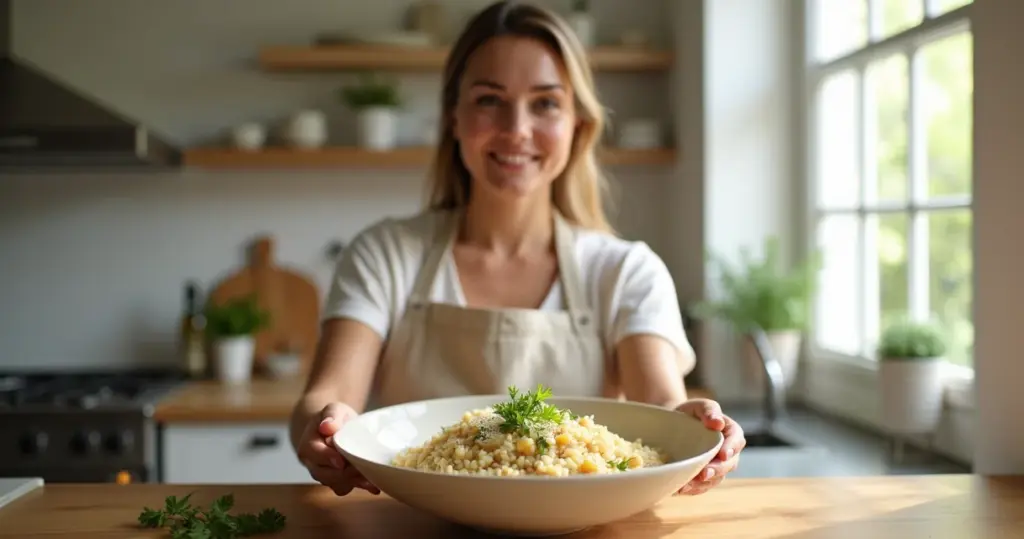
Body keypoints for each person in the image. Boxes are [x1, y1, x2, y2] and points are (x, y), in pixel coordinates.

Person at [290, 0, 745, 497]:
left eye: (546, 102)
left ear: (579, 124)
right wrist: (324, 426)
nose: (516, 129)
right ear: (453, 118)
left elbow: (661, 410)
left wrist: (696, 429)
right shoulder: (385, 254)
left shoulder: (625, 270)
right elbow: (329, 395)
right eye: (489, 99)